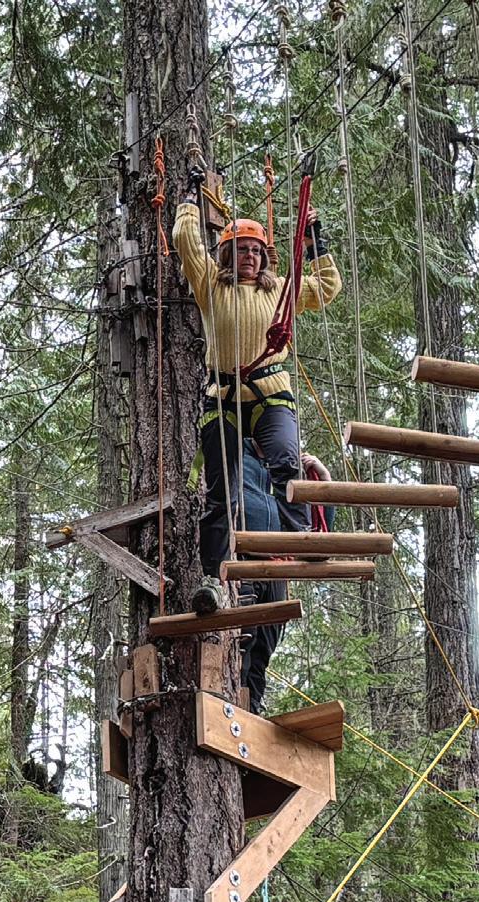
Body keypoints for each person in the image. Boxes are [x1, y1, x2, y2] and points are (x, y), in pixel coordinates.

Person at [169, 194, 342, 601]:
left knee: (285, 463)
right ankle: (214, 578)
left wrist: (315, 240)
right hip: (222, 396)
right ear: (227, 254)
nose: (249, 256)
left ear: (264, 258)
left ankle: (302, 539)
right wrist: (191, 203)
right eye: (242, 249)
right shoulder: (210, 284)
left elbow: (327, 287)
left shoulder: (280, 290)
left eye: (256, 251)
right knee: (221, 491)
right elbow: (185, 241)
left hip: (270, 391)